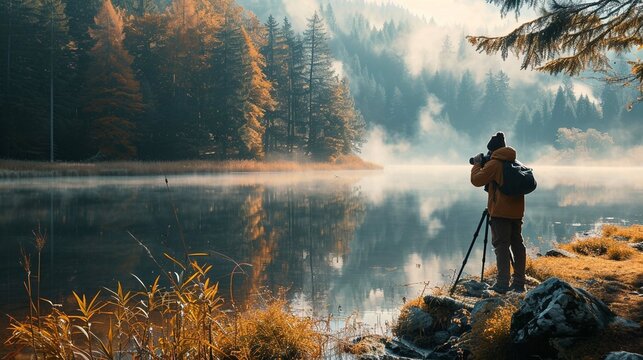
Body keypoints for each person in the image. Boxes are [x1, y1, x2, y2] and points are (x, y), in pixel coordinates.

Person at [470, 132, 526, 293]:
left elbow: (476, 181)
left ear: (492, 151)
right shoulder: (516, 162)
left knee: (501, 246)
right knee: (517, 245)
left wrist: (477, 163)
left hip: (500, 212)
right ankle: (519, 283)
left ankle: (502, 283)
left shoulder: (494, 164)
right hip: (516, 212)